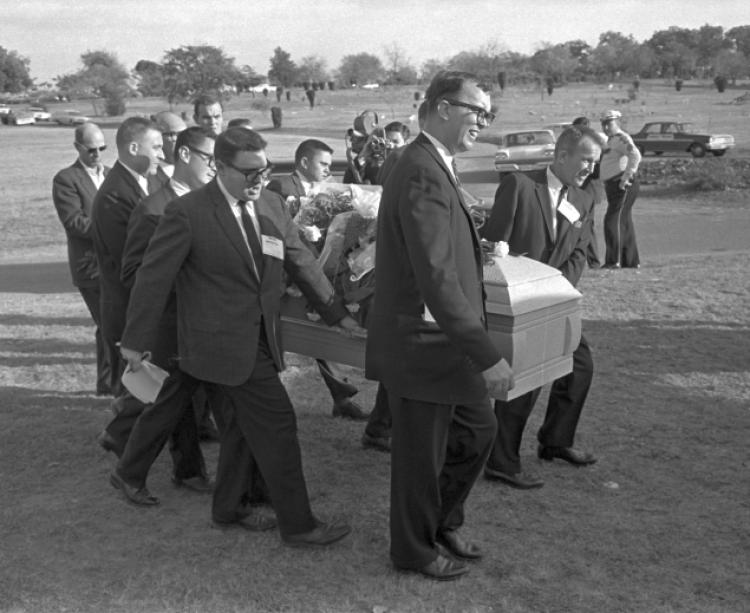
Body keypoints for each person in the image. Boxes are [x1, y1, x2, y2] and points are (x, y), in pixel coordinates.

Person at [118, 127, 356, 546]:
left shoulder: (270, 203)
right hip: (219, 343)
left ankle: (228, 508)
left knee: (243, 429)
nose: (258, 180)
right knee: (278, 425)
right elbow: (153, 279)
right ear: (219, 167)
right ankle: (299, 525)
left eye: (263, 169)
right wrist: (135, 342)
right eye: (248, 172)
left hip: (262, 338)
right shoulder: (187, 212)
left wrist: (336, 314)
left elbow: (299, 258)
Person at [366, 71, 514, 581]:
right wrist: (486, 353)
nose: (483, 121)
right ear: (444, 107)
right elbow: (435, 276)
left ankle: (443, 521)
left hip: (443, 339)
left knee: (477, 430)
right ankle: (412, 550)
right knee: (419, 459)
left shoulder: (435, 162)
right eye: (478, 111)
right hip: (423, 343)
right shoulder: (422, 168)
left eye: (487, 113)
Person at [480, 126, 602, 489]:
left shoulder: (584, 198)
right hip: (513, 300)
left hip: (554, 298)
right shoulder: (519, 185)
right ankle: (501, 462)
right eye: (585, 160)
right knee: (526, 378)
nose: (589, 170)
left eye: (594, 163)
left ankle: (555, 442)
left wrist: (557, 290)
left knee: (580, 365)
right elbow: (493, 243)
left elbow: (580, 251)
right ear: (561, 156)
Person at [110, 127, 217, 505]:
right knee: (169, 401)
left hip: (199, 322)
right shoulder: (153, 208)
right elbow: (132, 272)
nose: (214, 167)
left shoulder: (209, 202)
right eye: (209, 158)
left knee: (182, 400)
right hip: (170, 323)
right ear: (185, 155)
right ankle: (130, 470)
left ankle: (186, 470)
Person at [266, 139, 369, 420]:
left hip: (319, 270)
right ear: (304, 163)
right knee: (282, 335)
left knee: (321, 332)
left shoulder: (330, 189)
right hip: (289, 274)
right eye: (322, 163)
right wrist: (301, 231)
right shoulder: (281, 188)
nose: (327, 169)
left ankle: (341, 396)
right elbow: (276, 230)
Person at [91, 117, 164, 456]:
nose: (162, 155)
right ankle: (119, 437)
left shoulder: (143, 181)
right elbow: (128, 262)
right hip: (127, 304)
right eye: (157, 147)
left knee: (153, 377)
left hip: (143, 301)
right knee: (139, 380)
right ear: (134, 148)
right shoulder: (114, 195)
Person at [52, 122, 111, 395]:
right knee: (107, 323)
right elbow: (74, 222)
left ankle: (109, 382)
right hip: (90, 266)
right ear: (77, 148)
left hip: (115, 263)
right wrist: (116, 230)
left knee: (112, 323)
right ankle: (110, 383)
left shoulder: (111, 175)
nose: (97, 154)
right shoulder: (66, 179)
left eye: (102, 148)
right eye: (91, 150)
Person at [599, 109, 642, 269]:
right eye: (603, 124)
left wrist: (626, 177)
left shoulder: (621, 138)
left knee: (612, 221)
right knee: (623, 221)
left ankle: (613, 261)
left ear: (617, 122)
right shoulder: (610, 140)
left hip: (622, 183)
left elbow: (635, 155)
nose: (605, 127)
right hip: (612, 185)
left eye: (609, 123)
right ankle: (630, 262)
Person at [571, 116, 605, 268]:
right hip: (577, 189)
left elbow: (596, 172)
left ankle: (594, 262)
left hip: (588, 190)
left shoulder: (594, 145)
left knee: (586, 225)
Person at [153, 111, 187, 177]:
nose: (183, 139)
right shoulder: (150, 172)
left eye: (184, 134)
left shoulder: (194, 168)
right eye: (171, 134)